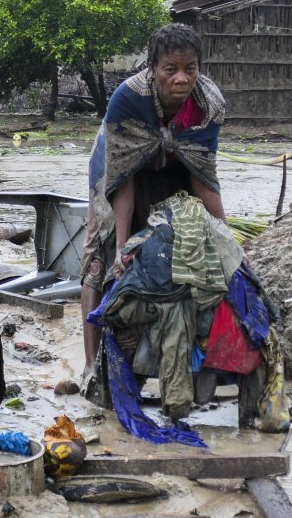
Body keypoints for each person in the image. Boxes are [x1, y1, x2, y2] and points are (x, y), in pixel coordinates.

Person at [80, 23, 226, 377]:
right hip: (117, 165)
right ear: (152, 68)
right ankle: (91, 366)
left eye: (190, 69)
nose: (181, 79)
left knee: (183, 245)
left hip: (176, 166)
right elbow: (123, 179)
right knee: (100, 256)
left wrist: (226, 238)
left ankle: (171, 360)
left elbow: (203, 176)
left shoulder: (208, 105)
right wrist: (121, 246)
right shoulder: (129, 99)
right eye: (170, 69)